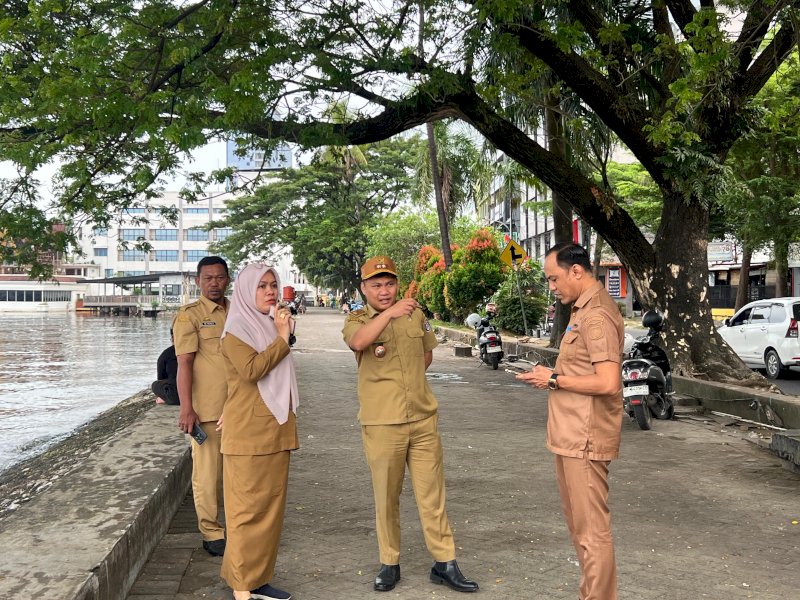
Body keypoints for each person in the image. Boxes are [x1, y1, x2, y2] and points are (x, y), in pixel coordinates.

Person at [342, 256, 478, 594]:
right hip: (382, 423)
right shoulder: (356, 319)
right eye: (376, 285)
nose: (384, 291)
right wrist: (388, 314)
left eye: (389, 284)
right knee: (386, 497)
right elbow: (358, 343)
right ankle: (390, 562)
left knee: (433, 496)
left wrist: (410, 379)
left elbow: (427, 352)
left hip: (421, 418)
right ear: (364, 288)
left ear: (397, 284)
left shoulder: (415, 314)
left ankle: (445, 562)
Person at [516, 242, 624, 600]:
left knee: (592, 533)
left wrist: (552, 379)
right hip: (571, 436)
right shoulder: (583, 310)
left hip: (585, 438)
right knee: (582, 530)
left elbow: (608, 382)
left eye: (554, 278)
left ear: (576, 271)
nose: (552, 287)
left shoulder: (595, 316)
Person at [219, 263, 298, 600]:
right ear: (245, 291)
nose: (270, 291)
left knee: (270, 512)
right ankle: (241, 587)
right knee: (245, 513)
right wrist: (283, 337)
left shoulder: (268, 325)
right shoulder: (236, 328)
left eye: (273, 284)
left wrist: (280, 333)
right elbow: (251, 371)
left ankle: (258, 578)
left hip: (275, 429)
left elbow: (238, 383)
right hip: (249, 435)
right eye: (261, 286)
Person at [173, 256, 231, 557]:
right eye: (207, 278)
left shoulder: (238, 311)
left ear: (228, 279)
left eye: (219, 277)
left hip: (238, 409)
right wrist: (187, 408)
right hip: (206, 411)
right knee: (208, 476)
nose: (214, 283)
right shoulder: (189, 316)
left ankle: (236, 527)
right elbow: (184, 364)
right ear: (198, 281)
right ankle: (211, 532)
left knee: (236, 475)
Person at [151, 331, 179, 405]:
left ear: (173, 338)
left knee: (155, 384)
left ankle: (163, 398)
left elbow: (161, 378)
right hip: (198, 394)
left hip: (175, 397)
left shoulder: (166, 353)